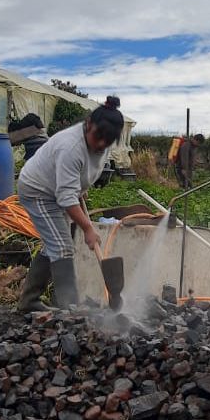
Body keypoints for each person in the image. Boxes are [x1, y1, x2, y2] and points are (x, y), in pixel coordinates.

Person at [16, 96, 124, 312]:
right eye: (99, 137)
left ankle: (29, 302)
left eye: (108, 140)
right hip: (38, 191)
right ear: (88, 125)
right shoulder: (71, 148)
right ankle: (70, 308)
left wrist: (79, 192)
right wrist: (88, 228)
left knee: (55, 243)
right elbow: (65, 198)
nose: (102, 144)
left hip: (58, 191)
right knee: (63, 247)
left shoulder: (101, 144)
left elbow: (77, 181)